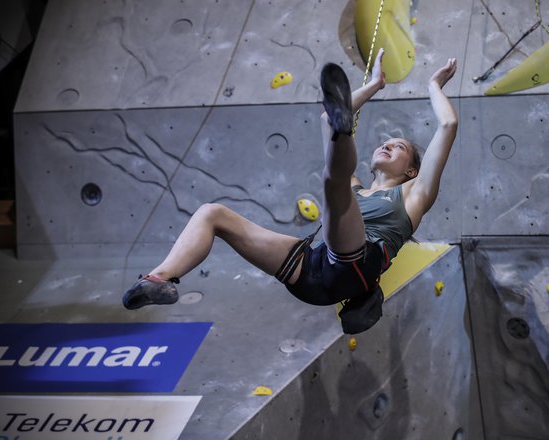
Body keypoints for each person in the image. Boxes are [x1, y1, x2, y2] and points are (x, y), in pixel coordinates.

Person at [122, 48, 458, 334]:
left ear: (411, 170)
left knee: (334, 185)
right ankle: (157, 279)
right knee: (213, 214)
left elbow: (448, 125)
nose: (386, 145)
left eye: (396, 146)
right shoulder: (356, 190)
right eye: (384, 142)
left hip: (353, 267)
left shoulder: (415, 196)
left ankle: (344, 135)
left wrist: (433, 85)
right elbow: (327, 119)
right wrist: (374, 85)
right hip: (309, 274)